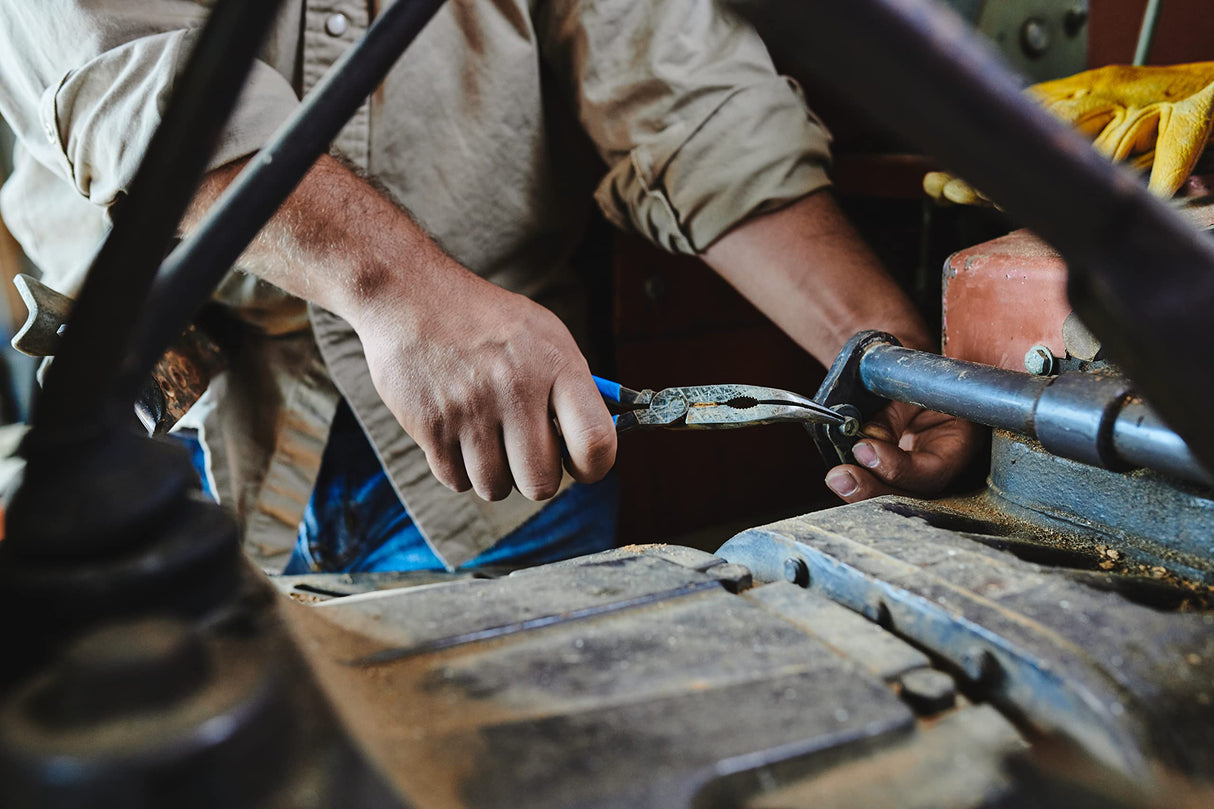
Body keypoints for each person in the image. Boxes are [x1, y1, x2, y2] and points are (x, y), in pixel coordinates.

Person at [0, 0, 975, 572]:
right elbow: (123, 70)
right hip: (159, 438)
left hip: (509, 457)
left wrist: (878, 347)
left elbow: (682, 88)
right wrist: (396, 288)